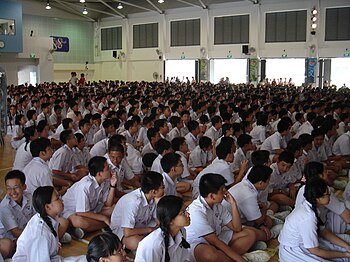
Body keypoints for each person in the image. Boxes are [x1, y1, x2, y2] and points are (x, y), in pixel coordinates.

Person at [185, 173, 268, 262]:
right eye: (222, 191)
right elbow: (215, 242)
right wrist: (240, 260)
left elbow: (237, 228)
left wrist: (233, 203)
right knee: (210, 255)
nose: (225, 193)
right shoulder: (196, 212)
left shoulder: (217, 205)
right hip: (199, 244)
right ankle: (241, 257)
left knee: (250, 234)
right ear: (212, 196)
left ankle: (232, 258)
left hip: (217, 236)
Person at [279, 178, 350, 261]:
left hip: (308, 246)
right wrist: (345, 254)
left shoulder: (311, 207)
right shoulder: (308, 217)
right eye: (327, 194)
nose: (329, 197)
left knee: (347, 240)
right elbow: (315, 251)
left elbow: (324, 232)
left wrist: (347, 247)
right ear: (318, 198)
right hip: (295, 251)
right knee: (342, 257)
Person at [110, 171, 165, 251]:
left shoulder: (153, 197)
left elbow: (159, 222)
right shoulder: (134, 202)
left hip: (142, 225)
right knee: (137, 242)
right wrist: (151, 230)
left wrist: (159, 204)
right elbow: (127, 232)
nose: (164, 190)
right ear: (154, 191)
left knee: (165, 228)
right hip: (122, 230)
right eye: (162, 188)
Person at [62, 156, 117, 234]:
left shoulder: (105, 181)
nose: (110, 171)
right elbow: (81, 212)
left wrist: (113, 185)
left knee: (115, 209)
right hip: (73, 212)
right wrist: (103, 218)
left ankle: (91, 227)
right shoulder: (85, 186)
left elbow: (108, 204)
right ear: (99, 174)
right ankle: (109, 223)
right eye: (108, 169)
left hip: (91, 211)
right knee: (80, 222)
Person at [12, 186, 65, 261]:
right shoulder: (40, 234)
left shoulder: (50, 217)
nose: (61, 200)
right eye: (57, 198)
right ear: (47, 207)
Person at [135, 195, 190, 262]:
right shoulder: (155, 244)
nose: (188, 214)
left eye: (186, 210)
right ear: (170, 220)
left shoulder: (182, 231)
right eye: (183, 213)